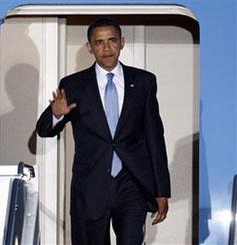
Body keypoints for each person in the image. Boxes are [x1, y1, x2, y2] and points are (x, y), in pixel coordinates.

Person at [36, 18, 170, 245]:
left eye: (112, 41)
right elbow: (43, 130)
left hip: (132, 183)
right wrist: (56, 114)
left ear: (122, 43)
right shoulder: (74, 85)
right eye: (99, 43)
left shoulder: (144, 82)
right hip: (91, 186)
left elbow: (155, 138)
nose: (106, 48)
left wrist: (161, 190)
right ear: (90, 47)